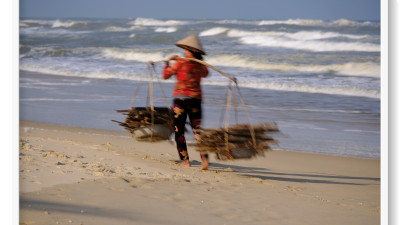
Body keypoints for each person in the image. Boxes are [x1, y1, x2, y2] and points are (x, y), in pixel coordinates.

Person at [163, 35, 210, 170]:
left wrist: (167, 63)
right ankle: (204, 160)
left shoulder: (180, 62)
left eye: (185, 49)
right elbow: (205, 74)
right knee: (197, 130)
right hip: (196, 100)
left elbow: (166, 75)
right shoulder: (201, 65)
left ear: (190, 50)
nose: (183, 51)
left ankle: (185, 161)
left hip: (181, 100)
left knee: (179, 131)